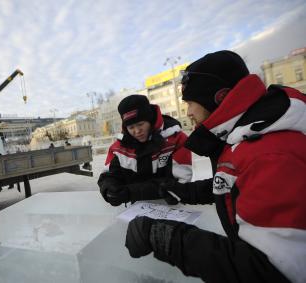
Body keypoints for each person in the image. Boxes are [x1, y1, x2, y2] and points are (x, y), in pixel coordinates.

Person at [124, 50, 306, 283]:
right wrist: (182, 191)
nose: (188, 112)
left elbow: (273, 271)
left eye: (190, 102)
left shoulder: (270, 154)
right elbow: (238, 185)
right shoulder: (250, 136)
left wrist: (165, 237)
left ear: (219, 97)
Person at [98, 94, 193, 206]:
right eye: (131, 127)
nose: (137, 131)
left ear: (150, 120)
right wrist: (110, 190)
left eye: (140, 124)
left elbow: (179, 183)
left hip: (171, 208)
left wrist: (131, 192)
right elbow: (108, 175)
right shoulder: (119, 148)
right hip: (135, 211)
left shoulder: (176, 139)